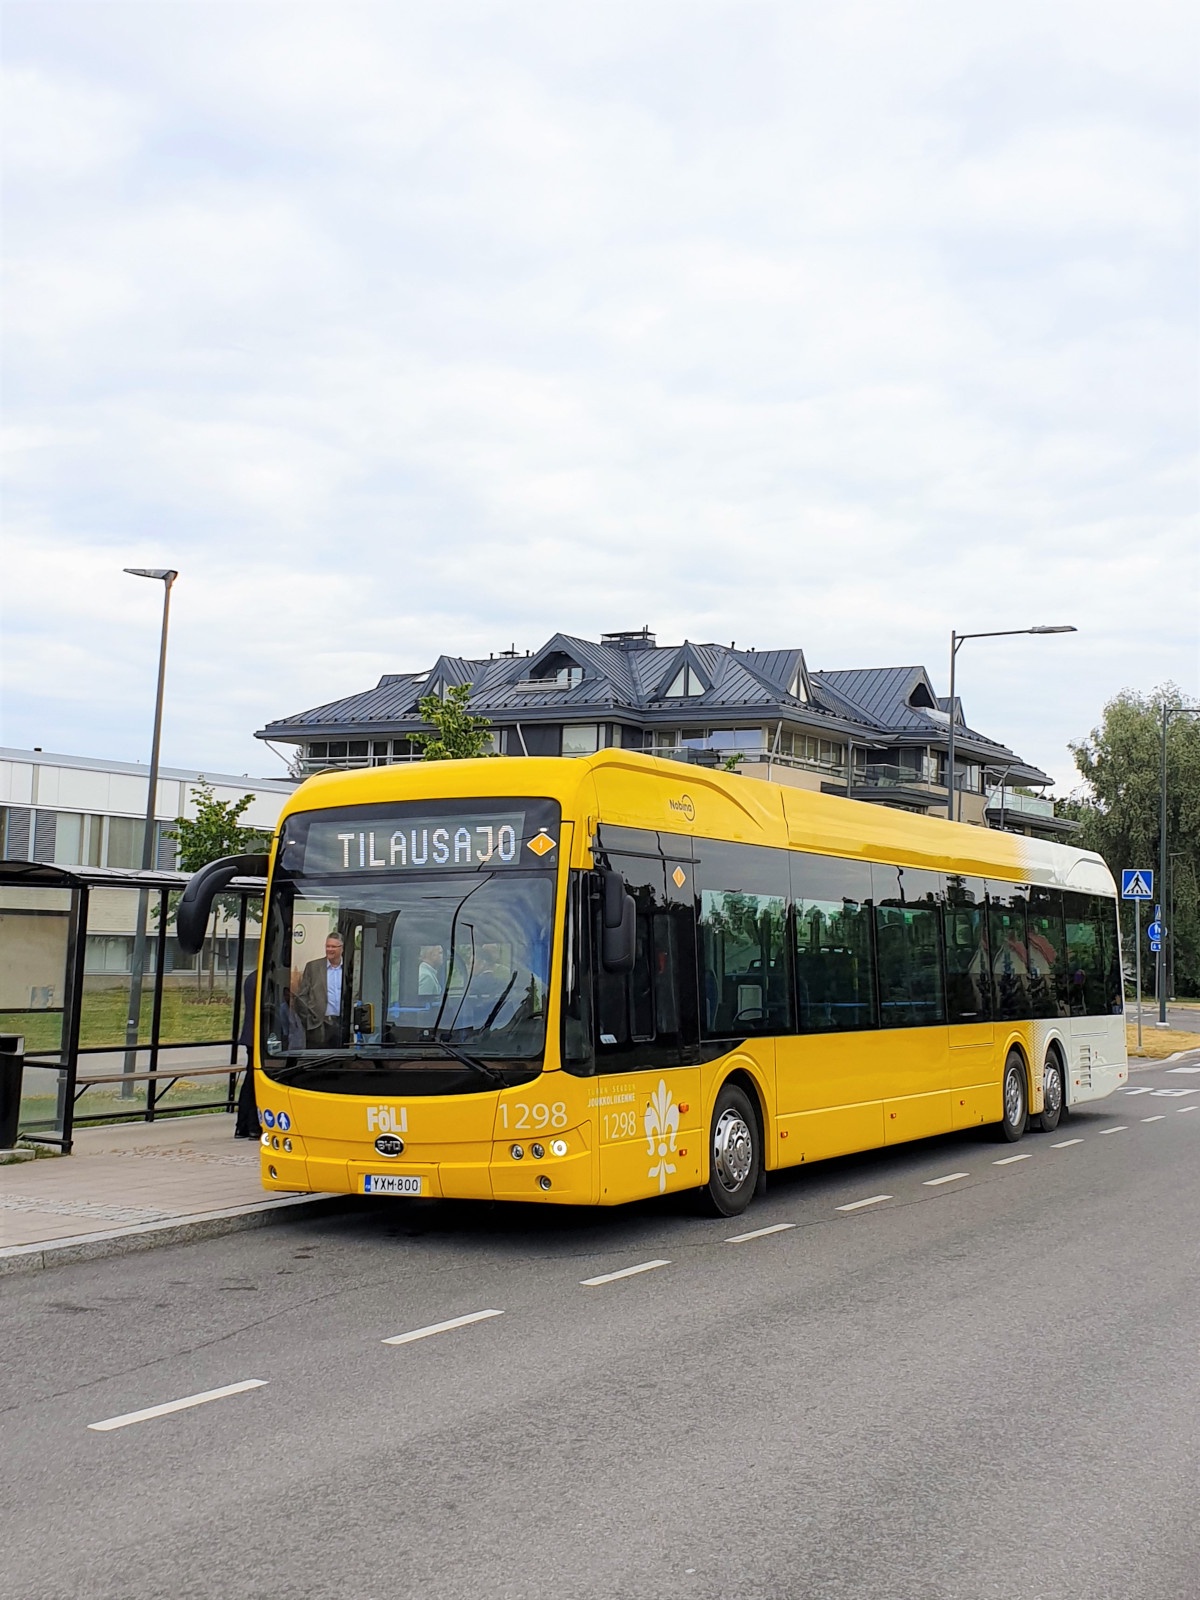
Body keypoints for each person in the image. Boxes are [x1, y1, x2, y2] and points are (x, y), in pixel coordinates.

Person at [295, 931, 346, 1047]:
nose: (329, 949)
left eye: (333, 947)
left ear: (341, 948)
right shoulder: (313, 967)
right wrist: (308, 1020)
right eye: (327, 946)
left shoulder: (350, 968)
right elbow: (301, 997)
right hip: (318, 1025)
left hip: (343, 1024)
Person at [234, 967, 259, 1139]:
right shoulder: (263, 978)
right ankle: (252, 1125)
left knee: (250, 1079)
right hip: (259, 1038)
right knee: (254, 1080)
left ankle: (242, 1126)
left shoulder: (252, 977)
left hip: (252, 1037)